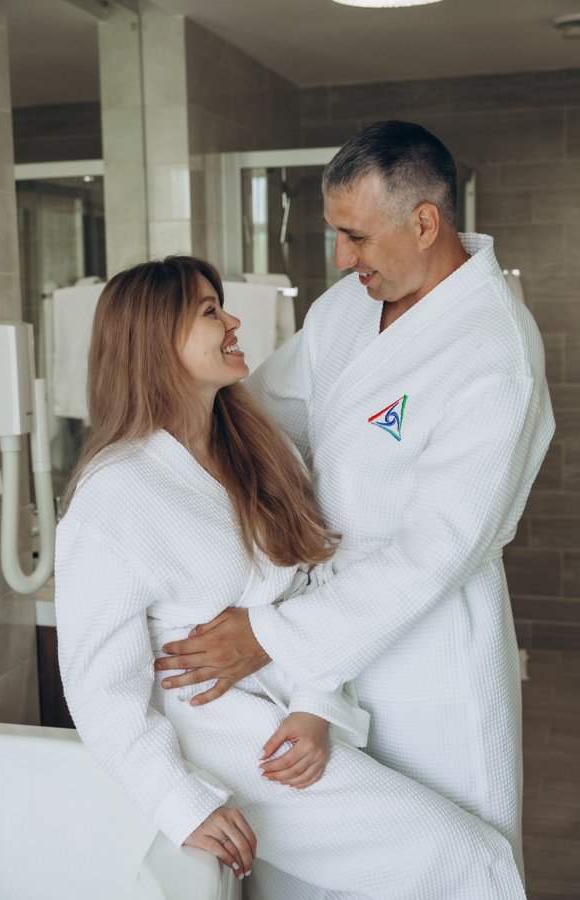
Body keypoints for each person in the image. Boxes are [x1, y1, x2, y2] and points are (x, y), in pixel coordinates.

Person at [55, 254, 527, 900]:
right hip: (224, 747)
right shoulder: (115, 494)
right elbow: (99, 687)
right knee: (469, 859)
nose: (234, 322)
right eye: (210, 312)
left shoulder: (254, 449)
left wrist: (315, 705)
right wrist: (179, 802)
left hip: (291, 729)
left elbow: (308, 582)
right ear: (156, 339)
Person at [154, 122, 555, 879]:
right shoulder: (345, 309)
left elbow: (436, 552)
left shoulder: (493, 352)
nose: (342, 258)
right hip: (319, 636)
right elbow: (263, 420)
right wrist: (157, 466)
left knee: (438, 861)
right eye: (336, 234)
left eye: (356, 236)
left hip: (427, 646)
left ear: (425, 222)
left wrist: (270, 636)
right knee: (326, 863)